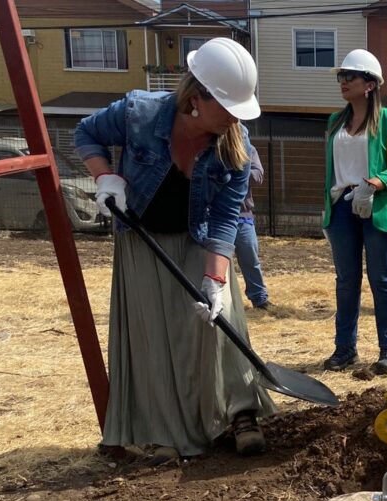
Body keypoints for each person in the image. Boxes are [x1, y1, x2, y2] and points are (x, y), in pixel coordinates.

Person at [75, 37, 275, 460]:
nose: (237, 118)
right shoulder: (139, 113)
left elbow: (225, 217)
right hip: (142, 240)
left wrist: (215, 278)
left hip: (198, 237)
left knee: (224, 327)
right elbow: (87, 133)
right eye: (229, 107)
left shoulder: (235, 147)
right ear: (197, 97)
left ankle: (240, 413)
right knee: (155, 337)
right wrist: (105, 177)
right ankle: (168, 430)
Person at [321, 49, 387, 375]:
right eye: (341, 76)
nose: (343, 81)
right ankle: (345, 349)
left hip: (373, 204)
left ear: (370, 84)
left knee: (382, 279)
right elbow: (331, 169)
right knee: (346, 281)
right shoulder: (334, 121)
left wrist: (378, 182)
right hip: (341, 206)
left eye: (350, 76)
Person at [234, 144, 270, 309]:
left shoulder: (248, 149)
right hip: (213, 214)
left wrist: (234, 170)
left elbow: (258, 175)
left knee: (250, 256)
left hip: (242, 214)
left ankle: (259, 298)